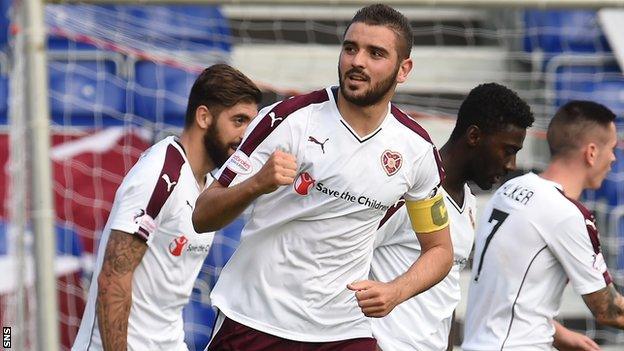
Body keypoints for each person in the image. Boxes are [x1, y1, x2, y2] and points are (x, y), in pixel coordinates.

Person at [192, 4, 453, 350]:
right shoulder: (289, 120)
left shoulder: (416, 150)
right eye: (350, 48)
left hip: (343, 331)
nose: (357, 61)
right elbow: (202, 214)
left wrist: (396, 291)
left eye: (375, 53)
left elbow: (439, 250)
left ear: (403, 69)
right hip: (256, 318)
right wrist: (257, 184)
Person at [370, 84, 599, 351]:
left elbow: (445, 296)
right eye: (508, 150)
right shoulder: (408, 191)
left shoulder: (467, 202)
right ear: (475, 136)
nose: (511, 165)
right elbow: (348, 264)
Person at [72, 64, 262, 351]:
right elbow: (113, 279)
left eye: (251, 124)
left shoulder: (210, 188)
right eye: (238, 120)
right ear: (203, 117)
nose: (245, 135)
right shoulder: (161, 174)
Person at [463, 100, 624, 350]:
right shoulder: (567, 214)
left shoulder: (511, 189)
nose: (614, 158)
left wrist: (556, 332)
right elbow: (609, 310)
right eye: (612, 148)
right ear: (591, 152)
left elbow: (510, 289)